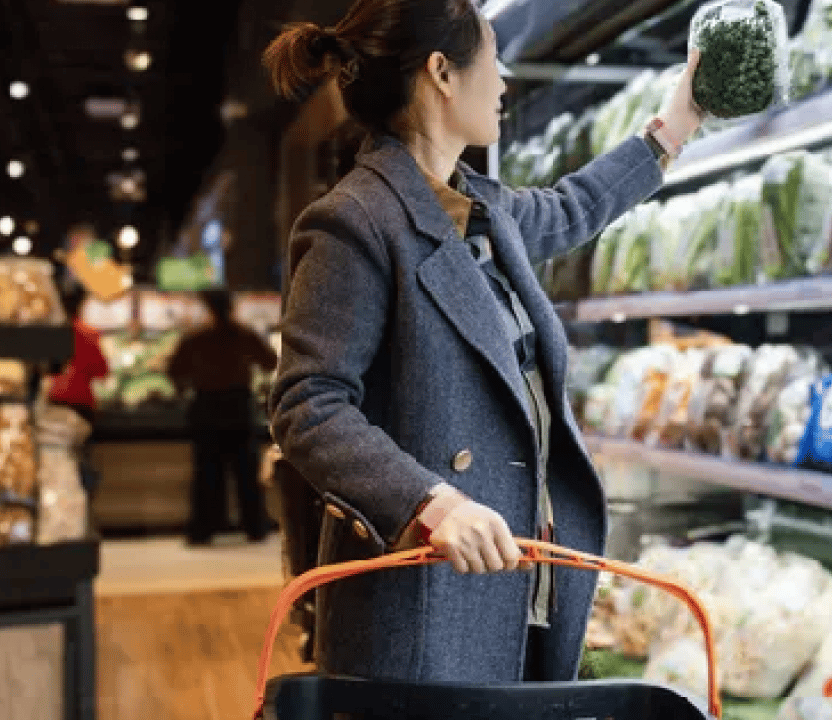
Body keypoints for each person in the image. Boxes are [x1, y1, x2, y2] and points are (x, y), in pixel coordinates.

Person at [263, 0, 702, 686]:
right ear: (442, 72)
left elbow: (575, 206)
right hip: (423, 605)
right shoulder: (353, 222)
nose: (504, 82)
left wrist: (678, 122)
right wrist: (429, 503)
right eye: (493, 59)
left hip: (515, 583)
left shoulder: (481, 208)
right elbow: (308, 405)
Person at [169, 289, 279, 545]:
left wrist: (189, 383)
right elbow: (270, 361)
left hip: (206, 406)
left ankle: (203, 529)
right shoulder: (244, 334)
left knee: (207, 472)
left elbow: (175, 370)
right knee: (245, 471)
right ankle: (254, 527)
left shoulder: (196, 337)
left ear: (207, 308)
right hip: (238, 406)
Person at [47, 287, 109, 496]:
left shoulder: (49, 333)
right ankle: (80, 495)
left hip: (54, 401)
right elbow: (101, 369)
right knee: (80, 456)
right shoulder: (87, 333)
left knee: (53, 455)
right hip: (81, 404)